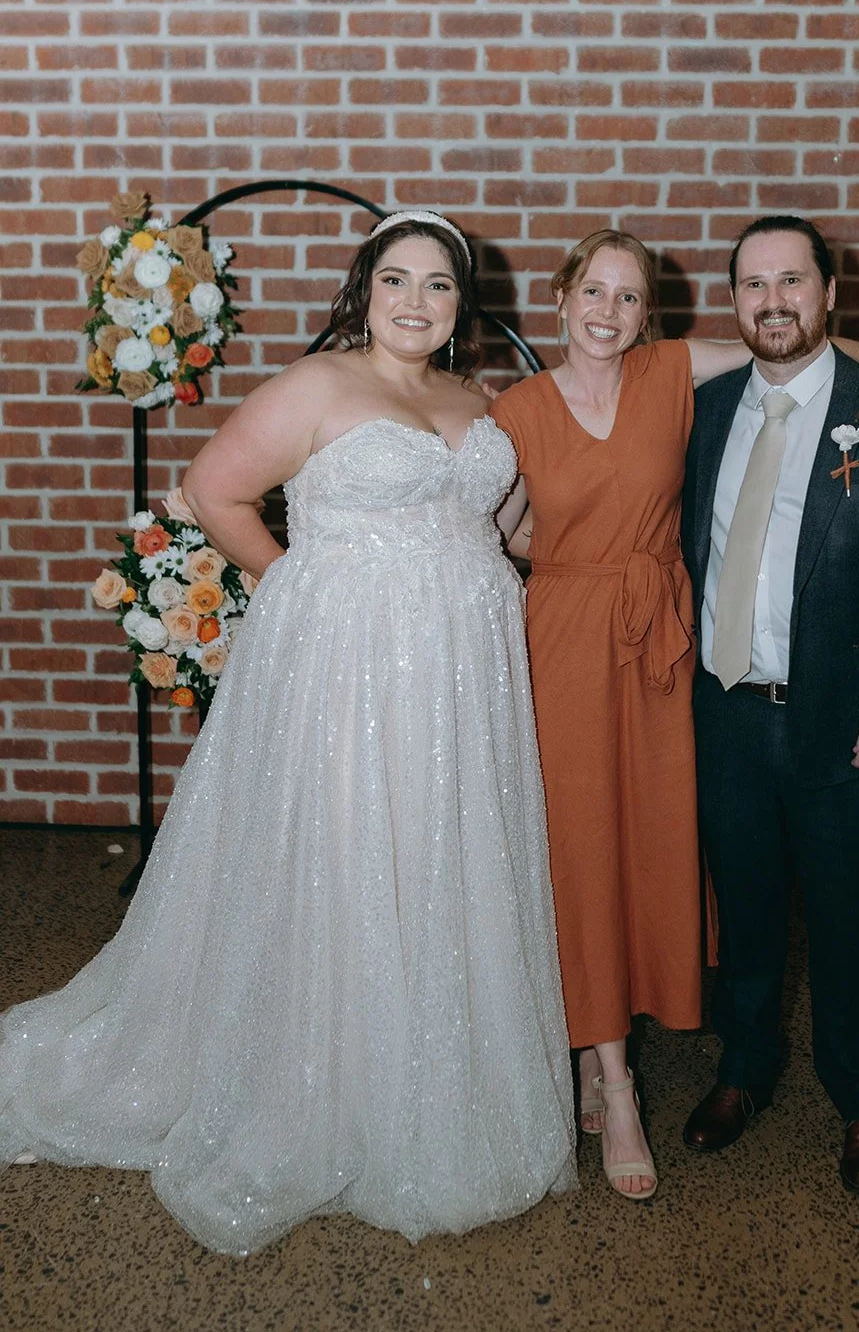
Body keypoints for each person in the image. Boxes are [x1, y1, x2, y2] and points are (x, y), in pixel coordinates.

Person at [0, 211, 576, 1254]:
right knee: (350, 851)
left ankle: (425, 1072)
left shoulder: (473, 398)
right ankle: (315, 1080)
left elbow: (500, 528)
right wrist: (303, 583)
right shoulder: (319, 383)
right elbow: (211, 489)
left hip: (464, 678)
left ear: (461, 304)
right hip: (350, 672)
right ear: (366, 291)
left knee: (441, 854)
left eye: (438, 285)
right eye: (395, 279)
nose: (416, 301)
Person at [490, 227, 859, 1202]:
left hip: (748, 681)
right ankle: (675, 1076)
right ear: (563, 296)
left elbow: (795, 343)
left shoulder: (731, 382)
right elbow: (501, 525)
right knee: (656, 872)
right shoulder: (580, 406)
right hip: (639, 669)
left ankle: (844, 1094)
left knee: (773, 886)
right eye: (593, 292)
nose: (608, 312)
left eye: (629, 297)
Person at [680, 214, 859, 1196]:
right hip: (726, 712)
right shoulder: (708, 410)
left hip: (850, 723)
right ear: (734, 301)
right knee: (747, 916)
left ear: (828, 292)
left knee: (853, 921)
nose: (773, 301)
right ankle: (744, 1067)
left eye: (791, 281)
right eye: (754, 284)